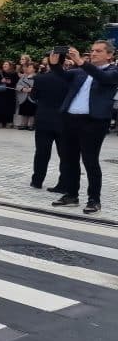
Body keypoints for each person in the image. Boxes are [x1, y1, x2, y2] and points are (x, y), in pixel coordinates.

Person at [51, 42, 118, 214]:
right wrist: (54, 63)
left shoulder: (113, 71)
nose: (93, 53)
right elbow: (62, 75)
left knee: (90, 160)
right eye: (92, 50)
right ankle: (71, 195)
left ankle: (94, 199)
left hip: (93, 121)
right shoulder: (80, 71)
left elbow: (103, 78)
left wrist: (81, 62)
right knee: (68, 159)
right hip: (70, 119)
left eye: (98, 51)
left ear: (110, 55)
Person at [30, 51, 67, 190]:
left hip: (44, 118)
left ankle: (37, 180)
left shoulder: (40, 78)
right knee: (64, 154)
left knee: (41, 152)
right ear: (64, 62)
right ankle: (63, 183)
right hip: (63, 120)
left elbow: (34, 97)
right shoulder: (70, 78)